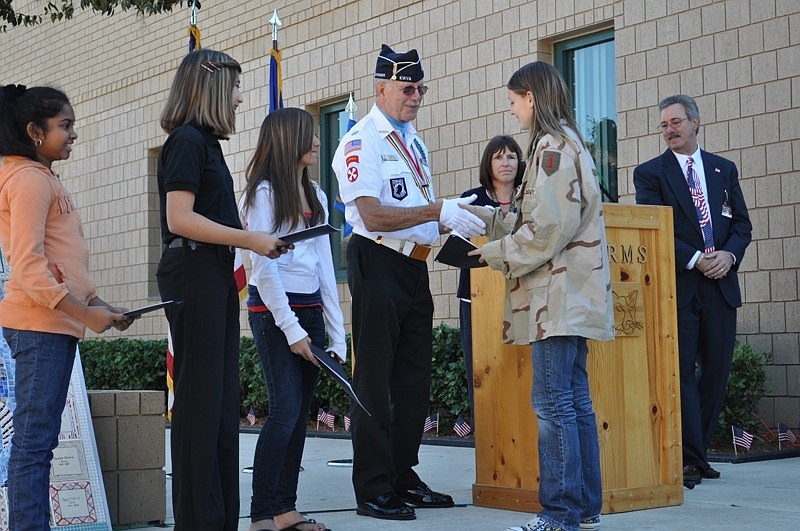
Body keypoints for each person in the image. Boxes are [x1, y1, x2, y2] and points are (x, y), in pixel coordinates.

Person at [332, 44, 486, 522]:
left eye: (421, 88)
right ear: (381, 89)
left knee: (413, 380)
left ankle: (402, 473)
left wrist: (453, 218)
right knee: (375, 378)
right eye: (407, 88)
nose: (416, 96)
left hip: (415, 266)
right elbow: (372, 214)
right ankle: (373, 486)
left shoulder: (413, 140)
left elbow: (415, 211)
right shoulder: (361, 140)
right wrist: (438, 210)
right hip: (377, 261)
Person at [467, 62, 614, 531]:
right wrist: (485, 219)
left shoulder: (551, 148)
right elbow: (543, 218)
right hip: (570, 297)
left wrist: (492, 252)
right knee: (574, 401)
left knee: (553, 405)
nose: (512, 111)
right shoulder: (568, 143)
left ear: (531, 97)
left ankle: (559, 514)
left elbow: (548, 230)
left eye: (514, 101)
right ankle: (583, 507)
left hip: (557, 298)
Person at [156, 49, 286, 530]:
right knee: (201, 406)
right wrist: (250, 239)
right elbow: (179, 218)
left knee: (220, 405)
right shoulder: (186, 141)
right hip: (194, 271)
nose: (239, 97)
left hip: (210, 272)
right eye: (234, 87)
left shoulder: (205, 144)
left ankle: (219, 518)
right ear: (210, 88)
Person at [0, 84, 136, 530]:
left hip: (51, 324)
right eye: (65, 125)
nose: (74, 133)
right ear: (34, 132)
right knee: (33, 445)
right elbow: (28, 269)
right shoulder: (28, 180)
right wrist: (84, 313)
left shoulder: (39, 176)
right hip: (39, 325)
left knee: (38, 443)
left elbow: (63, 264)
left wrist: (99, 305)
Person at [634, 94, 751, 489]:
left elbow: (742, 225)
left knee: (715, 372)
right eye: (664, 124)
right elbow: (656, 227)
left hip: (721, 286)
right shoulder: (650, 174)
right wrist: (697, 258)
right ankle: (688, 459)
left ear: (695, 122)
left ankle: (695, 454)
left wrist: (729, 256)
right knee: (681, 373)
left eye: (676, 122)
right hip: (680, 288)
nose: (670, 130)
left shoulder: (723, 169)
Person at [239, 108, 346, 531]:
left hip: (310, 311)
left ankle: (285, 510)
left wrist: (337, 336)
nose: (317, 142)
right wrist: (292, 330)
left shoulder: (314, 193)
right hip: (273, 312)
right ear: (287, 141)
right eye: (310, 135)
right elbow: (263, 269)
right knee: (284, 409)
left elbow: (325, 268)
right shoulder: (263, 193)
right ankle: (261, 515)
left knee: (300, 414)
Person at [457, 135, 525, 421]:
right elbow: (459, 245)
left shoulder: (531, 197)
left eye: (511, 156)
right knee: (482, 366)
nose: (505, 162)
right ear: (489, 163)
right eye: (498, 157)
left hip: (524, 293)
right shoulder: (472, 199)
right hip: (477, 295)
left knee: (521, 368)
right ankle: (484, 430)